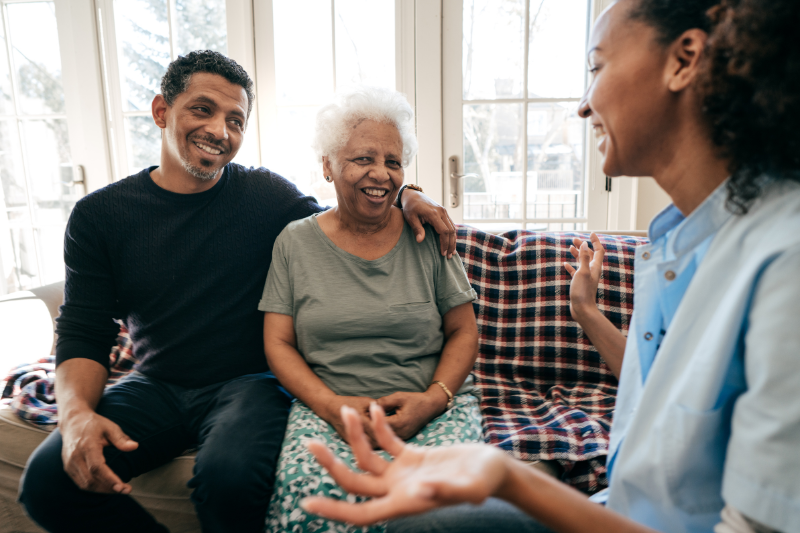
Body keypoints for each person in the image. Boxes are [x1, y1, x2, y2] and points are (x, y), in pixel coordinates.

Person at [297, 0, 800, 532]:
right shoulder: (677, 242)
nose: (584, 106)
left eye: (597, 66)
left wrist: (512, 478)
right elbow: (674, 395)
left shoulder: (782, 263)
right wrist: (584, 310)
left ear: (683, 60)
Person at [17, 51, 458, 533]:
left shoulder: (267, 198)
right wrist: (77, 414)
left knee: (230, 479)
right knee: (47, 480)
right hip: (156, 384)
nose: (220, 131)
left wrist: (410, 192)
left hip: (250, 383)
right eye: (202, 109)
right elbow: (83, 330)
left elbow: (351, 208)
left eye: (236, 120)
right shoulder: (100, 216)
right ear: (162, 111)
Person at [259, 86, 484, 533]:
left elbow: (463, 331)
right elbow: (278, 343)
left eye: (393, 162)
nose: (380, 174)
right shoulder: (294, 243)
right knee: (310, 503)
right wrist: (329, 406)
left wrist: (433, 399)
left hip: (432, 409)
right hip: (330, 413)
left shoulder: (427, 233)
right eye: (363, 159)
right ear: (327, 165)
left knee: (444, 511)